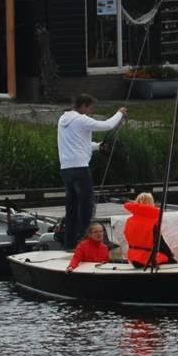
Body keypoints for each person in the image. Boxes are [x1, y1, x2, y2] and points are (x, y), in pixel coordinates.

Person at [57, 94, 127, 249]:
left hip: (66, 169)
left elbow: (79, 143)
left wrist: (98, 146)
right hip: (80, 169)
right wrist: (120, 113)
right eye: (90, 108)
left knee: (72, 208)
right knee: (86, 209)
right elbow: (107, 125)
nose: (91, 111)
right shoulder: (81, 119)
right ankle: (85, 244)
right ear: (83, 106)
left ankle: (70, 245)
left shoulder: (63, 121)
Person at [123, 192, 175, 268]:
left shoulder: (129, 221)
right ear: (151, 203)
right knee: (171, 261)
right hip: (148, 259)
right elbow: (160, 243)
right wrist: (170, 255)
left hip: (133, 259)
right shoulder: (152, 221)